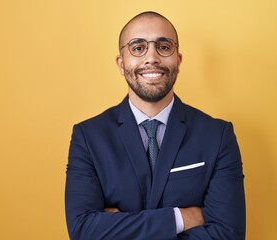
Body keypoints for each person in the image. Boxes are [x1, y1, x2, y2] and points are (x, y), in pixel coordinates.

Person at [65, 11, 245, 240]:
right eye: (138, 48)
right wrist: (181, 218)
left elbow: (228, 234)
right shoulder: (88, 137)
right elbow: (82, 230)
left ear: (178, 61)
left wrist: (115, 228)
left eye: (164, 46)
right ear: (121, 64)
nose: (152, 57)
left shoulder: (218, 135)